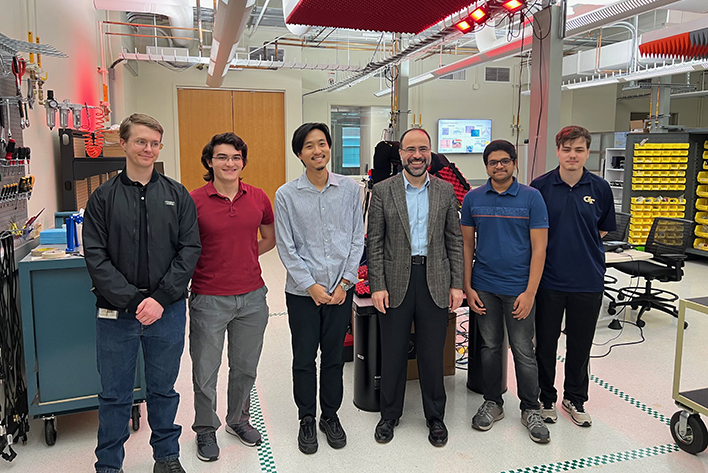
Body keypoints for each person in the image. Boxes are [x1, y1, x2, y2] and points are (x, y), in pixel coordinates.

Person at [83, 113, 201, 473]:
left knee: (164, 389)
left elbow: (189, 249)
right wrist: (135, 302)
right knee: (115, 395)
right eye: (141, 141)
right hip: (116, 314)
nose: (148, 149)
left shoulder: (176, 194)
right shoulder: (102, 198)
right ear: (124, 143)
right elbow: (96, 257)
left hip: (166, 310)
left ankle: (166, 458)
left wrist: (161, 299)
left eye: (154, 143)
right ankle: (108, 465)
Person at [367, 127, 464, 447]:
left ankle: (435, 417)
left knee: (431, 355)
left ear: (431, 152)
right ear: (401, 154)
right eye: (410, 149)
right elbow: (376, 243)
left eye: (423, 149)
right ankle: (389, 415)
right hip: (395, 283)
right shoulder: (383, 191)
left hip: (435, 280)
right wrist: (377, 285)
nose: (417, 155)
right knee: (393, 353)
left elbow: (453, 240)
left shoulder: (445, 191)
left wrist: (457, 284)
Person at [274, 123, 365, 455]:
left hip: (340, 292)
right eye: (309, 146)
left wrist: (345, 284)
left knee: (333, 358)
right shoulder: (286, 195)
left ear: (329, 148)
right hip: (302, 294)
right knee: (303, 357)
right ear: (299, 153)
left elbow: (358, 238)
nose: (318, 151)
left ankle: (330, 415)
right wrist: (310, 285)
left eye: (322, 144)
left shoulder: (350, 188)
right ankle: (306, 418)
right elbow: (286, 247)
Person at [188, 132, 276, 462]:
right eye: (222, 157)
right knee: (205, 370)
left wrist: (247, 256)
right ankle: (205, 428)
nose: (230, 163)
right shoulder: (194, 200)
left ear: (243, 162)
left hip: (252, 297)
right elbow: (184, 247)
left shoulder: (257, 197)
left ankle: (238, 419)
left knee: (245, 368)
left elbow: (269, 236)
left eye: (236, 157)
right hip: (209, 298)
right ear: (209, 161)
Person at [460, 140, 550, 444]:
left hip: (518, 289)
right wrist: (468, 286)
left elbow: (540, 250)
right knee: (489, 348)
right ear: (486, 166)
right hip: (485, 287)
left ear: (514, 163)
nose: (499, 166)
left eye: (505, 161)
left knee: (524, 351)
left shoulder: (532, 198)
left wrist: (530, 293)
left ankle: (530, 408)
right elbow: (467, 245)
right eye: (493, 162)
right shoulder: (473, 199)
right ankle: (493, 403)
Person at [530, 125, 616, 428]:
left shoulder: (601, 188)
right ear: (557, 151)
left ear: (587, 153)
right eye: (567, 149)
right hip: (548, 281)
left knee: (581, 346)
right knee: (546, 345)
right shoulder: (539, 187)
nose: (572, 155)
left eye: (579, 150)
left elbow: (602, 229)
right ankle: (546, 398)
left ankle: (575, 399)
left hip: (587, 280)